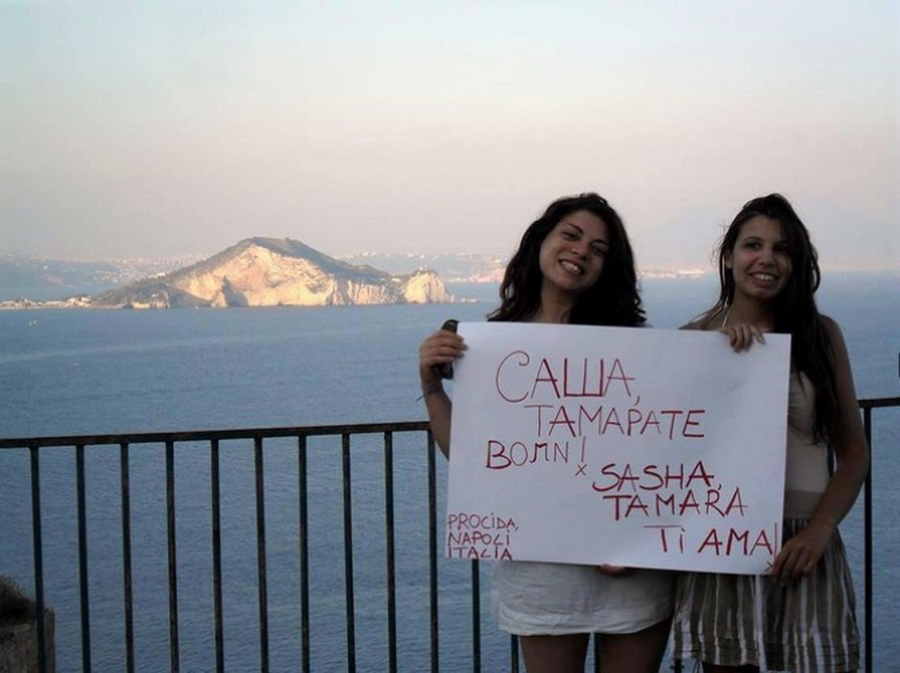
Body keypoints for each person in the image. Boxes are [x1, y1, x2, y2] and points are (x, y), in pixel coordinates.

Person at [418, 193, 673, 673]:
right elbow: (472, 458)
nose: (581, 251)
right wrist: (432, 386)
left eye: (598, 249)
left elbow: (667, 456)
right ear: (541, 241)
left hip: (631, 571)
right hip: (542, 575)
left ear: (609, 267)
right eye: (571, 236)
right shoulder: (488, 349)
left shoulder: (636, 349)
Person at [672, 194, 869, 672]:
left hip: (804, 546)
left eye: (782, 249)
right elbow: (672, 454)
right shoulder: (692, 341)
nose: (766, 258)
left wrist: (820, 530)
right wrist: (718, 365)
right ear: (729, 257)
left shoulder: (822, 336)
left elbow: (854, 454)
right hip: (723, 544)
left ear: (797, 263)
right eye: (752, 245)